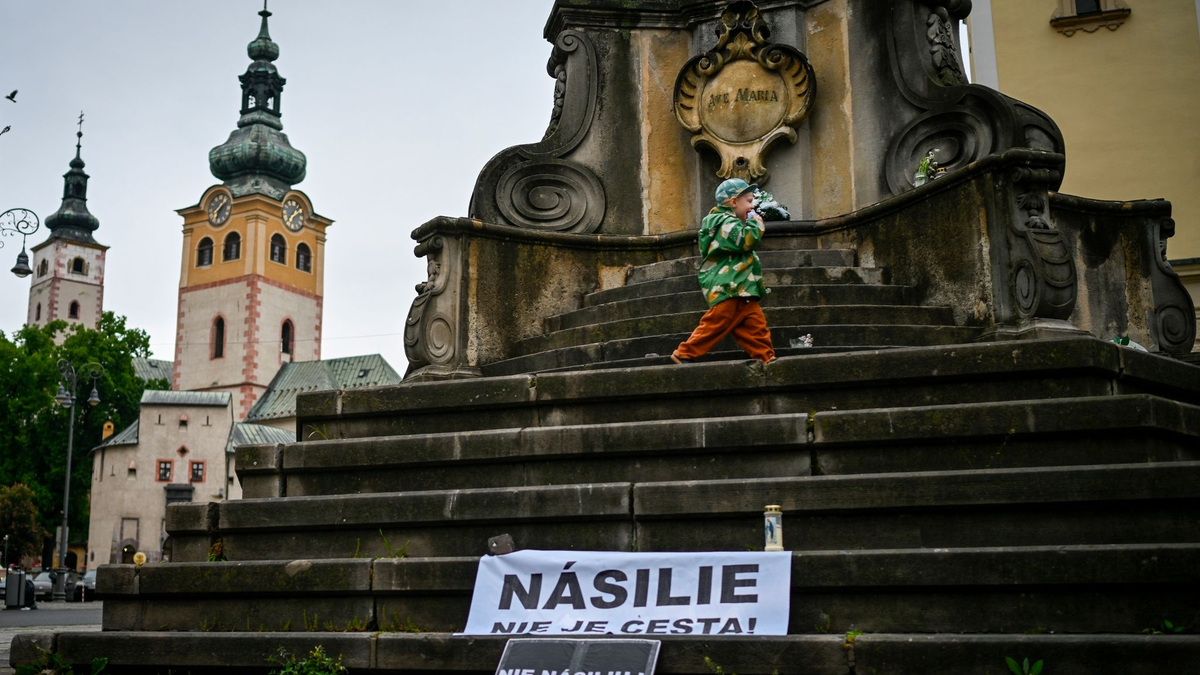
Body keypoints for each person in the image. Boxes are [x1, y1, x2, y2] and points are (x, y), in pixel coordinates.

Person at [671, 178, 776, 364]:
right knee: (716, 322)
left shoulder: (731, 222)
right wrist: (757, 224)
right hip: (728, 286)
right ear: (734, 202)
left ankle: (766, 359)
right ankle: (684, 353)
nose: (752, 207)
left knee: (756, 327)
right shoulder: (721, 222)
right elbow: (744, 241)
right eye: (749, 201)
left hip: (742, 286)